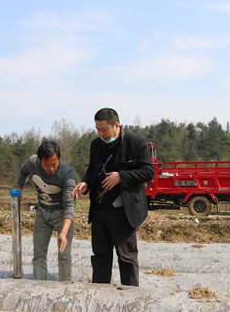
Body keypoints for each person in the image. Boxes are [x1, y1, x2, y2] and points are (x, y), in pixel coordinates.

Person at [71, 108, 154, 287]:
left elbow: (148, 172)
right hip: (100, 210)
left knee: (126, 257)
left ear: (117, 125)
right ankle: (101, 295)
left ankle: (130, 299)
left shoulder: (135, 143)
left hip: (123, 211)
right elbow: (92, 170)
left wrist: (121, 177)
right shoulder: (96, 144)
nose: (101, 133)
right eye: (98, 129)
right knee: (100, 256)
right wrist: (86, 183)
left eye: (104, 130)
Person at [16, 141, 76, 281]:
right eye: (46, 164)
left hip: (62, 215)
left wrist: (63, 232)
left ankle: (64, 287)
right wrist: (20, 187)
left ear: (59, 159)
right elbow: (23, 171)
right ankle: (40, 286)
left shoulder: (67, 173)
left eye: (54, 164)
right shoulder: (32, 162)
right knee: (39, 254)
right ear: (39, 160)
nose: (51, 168)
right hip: (42, 212)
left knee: (64, 255)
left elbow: (69, 206)